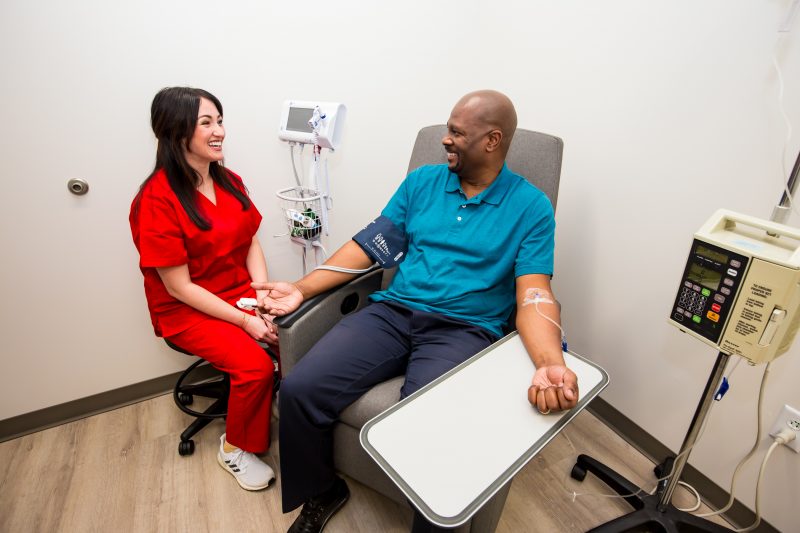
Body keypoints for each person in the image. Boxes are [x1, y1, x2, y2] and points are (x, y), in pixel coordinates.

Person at [255, 90, 579, 532]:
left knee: (428, 430)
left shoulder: (531, 208)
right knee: (300, 389)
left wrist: (550, 363)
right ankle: (321, 491)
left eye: (456, 132)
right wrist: (299, 288)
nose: (445, 140)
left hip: (464, 331)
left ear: (492, 140)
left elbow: (534, 295)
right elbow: (369, 247)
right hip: (393, 314)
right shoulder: (423, 183)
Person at [130, 87, 278, 491]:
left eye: (220, 120)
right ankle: (235, 448)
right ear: (177, 133)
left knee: (296, 336)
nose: (220, 132)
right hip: (186, 309)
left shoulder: (230, 180)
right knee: (256, 365)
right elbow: (177, 288)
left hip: (237, 293)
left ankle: (271, 407)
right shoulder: (156, 200)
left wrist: (261, 293)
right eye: (207, 123)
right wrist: (246, 321)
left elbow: (251, 240)